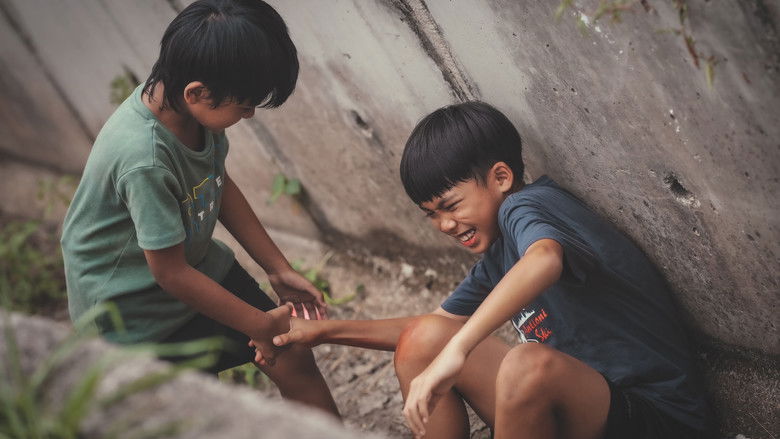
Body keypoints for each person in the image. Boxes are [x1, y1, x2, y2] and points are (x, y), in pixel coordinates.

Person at [266, 101, 709, 438]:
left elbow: (545, 259)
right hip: (577, 413)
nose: (443, 224)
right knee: (422, 342)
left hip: (654, 418)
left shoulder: (527, 207)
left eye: (451, 206)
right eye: (430, 215)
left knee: (525, 364)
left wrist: (458, 351)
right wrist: (323, 332)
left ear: (499, 177)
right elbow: (432, 327)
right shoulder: (498, 255)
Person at [60, 0, 338, 417]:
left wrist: (277, 268)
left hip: (197, 271)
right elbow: (168, 272)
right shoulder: (144, 158)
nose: (249, 114)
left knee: (291, 353)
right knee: (189, 412)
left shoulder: (186, 110)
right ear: (196, 92)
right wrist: (258, 325)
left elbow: (217, 184)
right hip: (132, 315)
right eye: (244, 104)